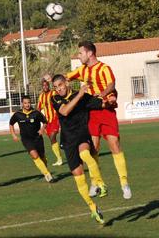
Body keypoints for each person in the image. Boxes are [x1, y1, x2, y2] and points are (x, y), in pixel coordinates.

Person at [67, 41, 132, 200]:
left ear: (90, 53)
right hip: (91, 114)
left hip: (106, 111)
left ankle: (124, 183)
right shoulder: (82, 70)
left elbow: (112, 84)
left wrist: (101, 96)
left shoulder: (104, 68)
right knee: (93, 148)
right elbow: (66, 77)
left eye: (80, 53)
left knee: (114, 144)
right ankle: (96, 183)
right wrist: (53, 78)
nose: (78, 56)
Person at [51, 74, 109, 225]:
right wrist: (81, 94)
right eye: (56, 87)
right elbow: (64, 111)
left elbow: (101, 103)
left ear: (67, 83)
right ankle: (93, 208)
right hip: (68, 141)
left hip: (82, 134)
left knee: (85, 153)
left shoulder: (81, 95)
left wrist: (110, 101)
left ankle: (99, 183)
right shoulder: (56, 99)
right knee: (78, 177)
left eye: (60, 85)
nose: (59, 89)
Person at [9, 95, 55, 183]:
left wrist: (42, 129)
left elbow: (45, 122)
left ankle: (45, 169)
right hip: (26, 139)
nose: (27, 105)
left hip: (37, 138)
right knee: (35, 155)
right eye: (25, 103)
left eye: (28, 103)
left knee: (43, 158)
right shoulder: (18, 114)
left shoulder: (36, 113)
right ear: (22, 104)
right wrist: (13, 135)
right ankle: (47, 175)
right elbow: (11, 124)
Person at [37, 75, 63, 166]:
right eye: (43, 86)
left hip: (55, 119)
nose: (45, 87)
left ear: (49, 85)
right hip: (47, 121)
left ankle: (61, 156)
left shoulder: (54, 93)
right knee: (52, 140)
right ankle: (59, 159)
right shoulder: (41, 96)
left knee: (53, 137)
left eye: (46, 85)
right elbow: (38, 109)